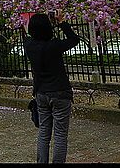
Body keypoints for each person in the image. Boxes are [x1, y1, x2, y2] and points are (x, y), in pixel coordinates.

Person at [23, 11, 80, 164]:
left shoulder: (28, 45)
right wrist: (61, 22)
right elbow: (74, 40)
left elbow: (28, 31)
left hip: (41, 94)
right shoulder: (54, 45)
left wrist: (28, 22)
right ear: (48, 28)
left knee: (43, 133)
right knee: (60, 134)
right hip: (60, 93)